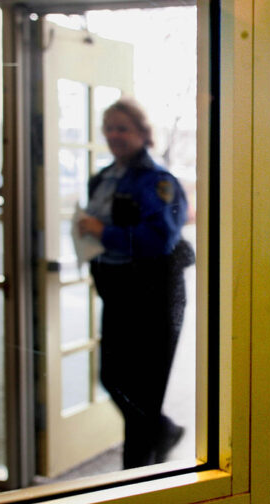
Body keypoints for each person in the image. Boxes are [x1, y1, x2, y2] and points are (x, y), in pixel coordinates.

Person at [77, 97, 193, 469]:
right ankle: (161, 432)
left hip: (154, 298)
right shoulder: (102, 178)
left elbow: (158, 240)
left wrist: (102, 232)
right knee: (112, 378)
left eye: (122, 128)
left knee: (143, 395)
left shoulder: (159, 182)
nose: (114, 135)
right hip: (119, 294)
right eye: (109, 127)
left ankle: (136, 480)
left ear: (143, 133)